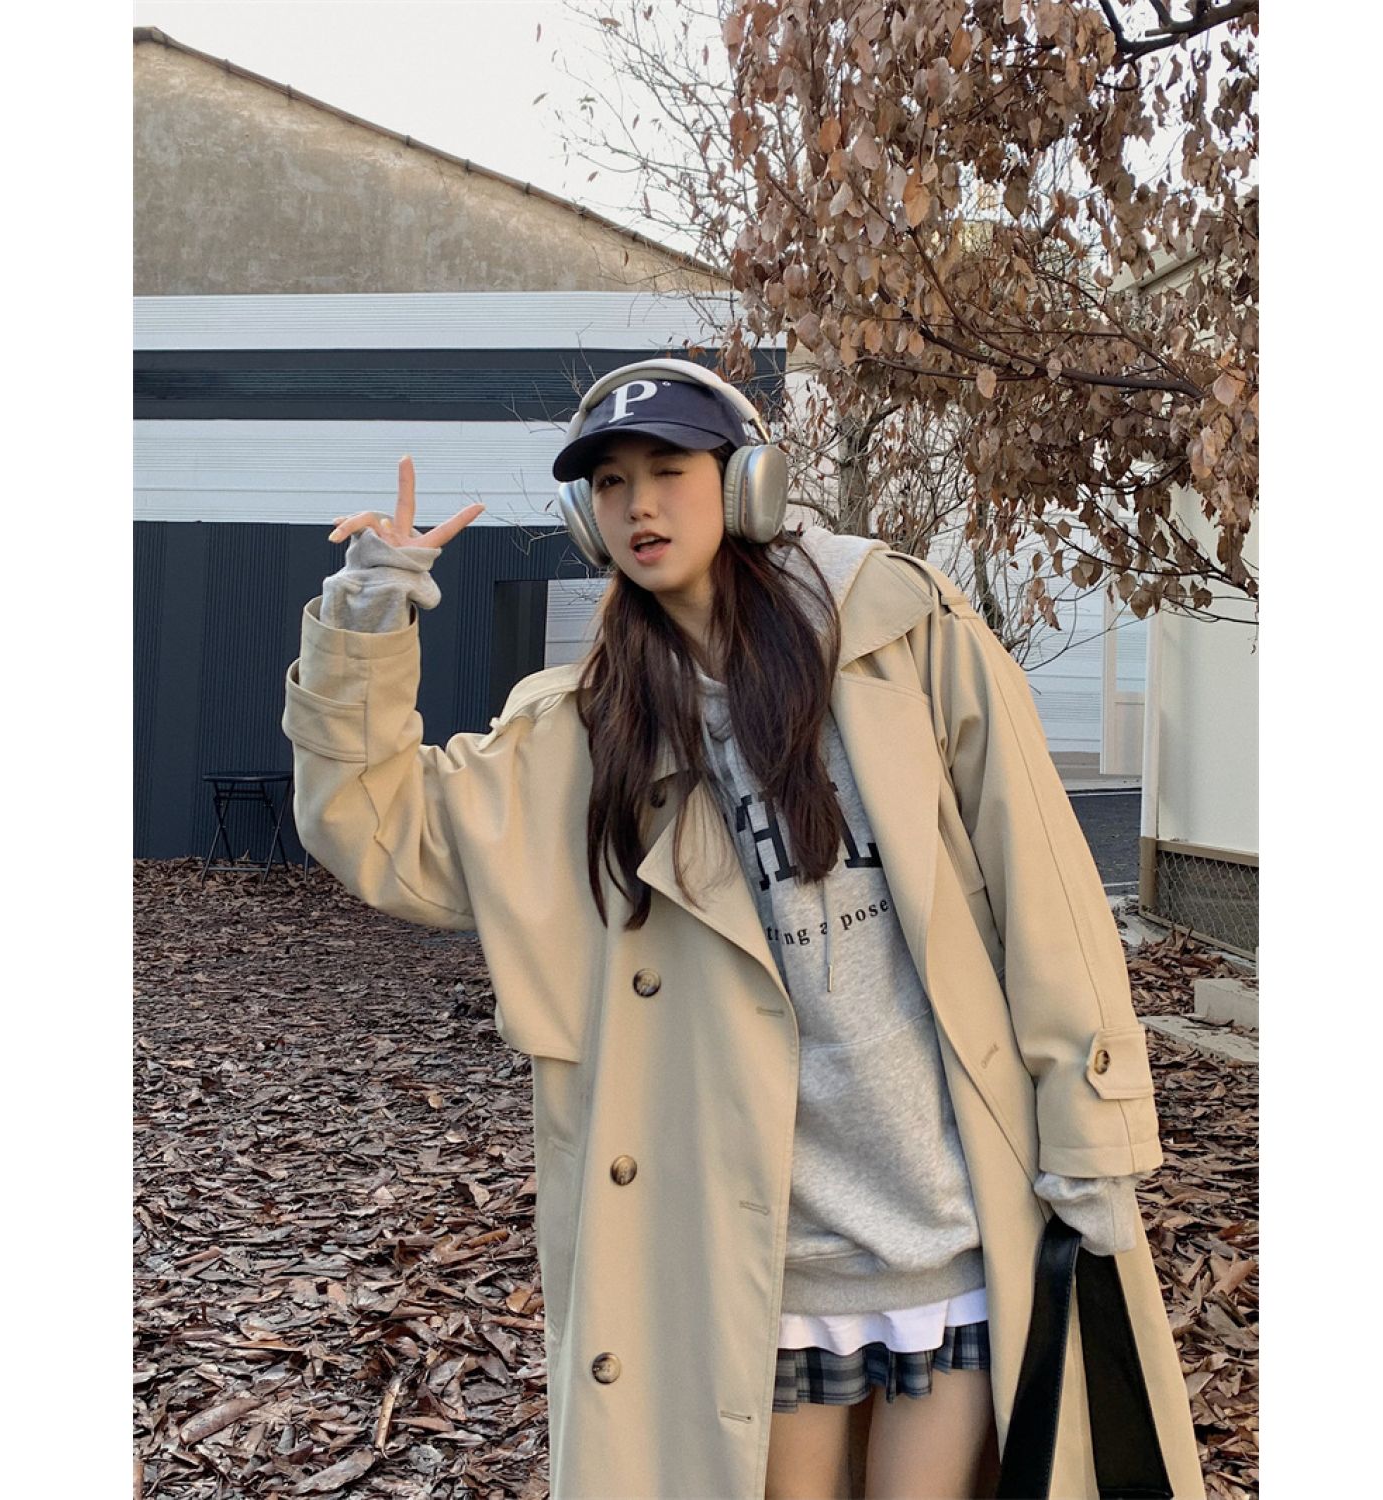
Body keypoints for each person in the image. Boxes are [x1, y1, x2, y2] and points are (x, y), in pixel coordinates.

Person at [282, 365, 1200, 1499]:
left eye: (670, 470)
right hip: (758, 1265)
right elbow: (373, 827)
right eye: (611, 484)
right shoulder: (581, 732)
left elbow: (1045, 888)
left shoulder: (902, 637)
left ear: (749, 483)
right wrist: (369, 613)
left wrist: (1095, 1133)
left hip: (952, 1225)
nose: (640, 506)